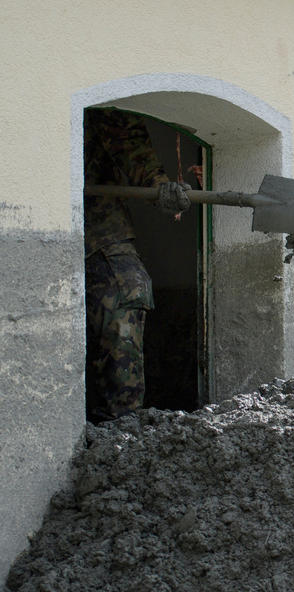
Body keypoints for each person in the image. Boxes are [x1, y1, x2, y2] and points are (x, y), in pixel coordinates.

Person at [84, 107, 191, 422]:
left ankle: (120, 425)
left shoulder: (105, 101)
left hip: (98, 227)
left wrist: (159, 186)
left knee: (127, 287)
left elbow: (129, 146)